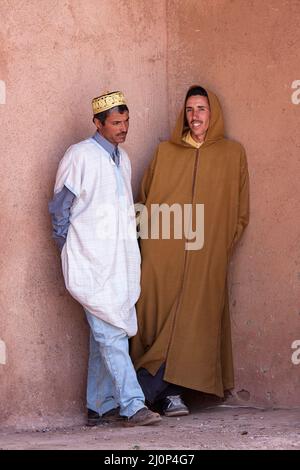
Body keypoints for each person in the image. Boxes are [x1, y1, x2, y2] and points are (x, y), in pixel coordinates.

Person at [130, 85, 250, 417]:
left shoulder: (232, 154)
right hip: (162, 257)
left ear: (213, 113)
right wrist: (152, 247)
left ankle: (149, 395)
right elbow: (145, 198)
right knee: (156, 322)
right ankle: (162, 396)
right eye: (189, 109)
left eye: (201, 109)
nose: (194, 116)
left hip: (205, 257)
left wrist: (219, 246)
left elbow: (240, 212)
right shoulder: (166, 153)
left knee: (192, 323)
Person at [49, 91, 161, 427]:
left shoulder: (122, 159)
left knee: (106, 333)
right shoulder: (79, 155)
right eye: (115, 123)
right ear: (98, 123)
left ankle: (98, 405)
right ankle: (133, 404)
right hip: (90, 261)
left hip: (117, 261)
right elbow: (59, 209)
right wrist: (73, 250)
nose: (122, 128)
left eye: (126, 122)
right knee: (110, 332)